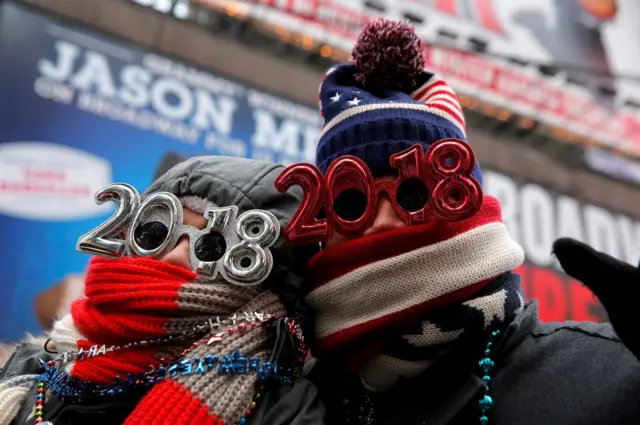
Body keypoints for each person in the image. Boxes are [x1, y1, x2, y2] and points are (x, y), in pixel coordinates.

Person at [284, 17, 640, 425]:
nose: (382, 223)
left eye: (414, 194)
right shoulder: (288, 403)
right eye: (351, 201)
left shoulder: (605, 376)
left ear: (464, 202)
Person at [0, 156, 324, 425]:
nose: (175, 256)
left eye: (213, 246)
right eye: (158, 233)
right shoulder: (41, 362)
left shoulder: (282, 411)